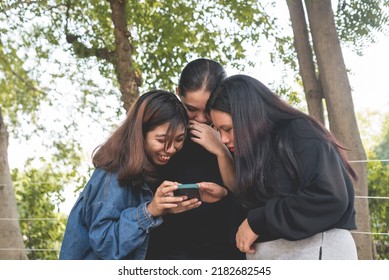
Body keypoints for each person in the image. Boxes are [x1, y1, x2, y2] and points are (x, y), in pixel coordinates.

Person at [207, 74, 358, 260]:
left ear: (249, 116)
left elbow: (328, 197)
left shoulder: (299, 132)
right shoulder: (251, 150)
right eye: (218, 130)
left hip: (315, 254)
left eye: (228, 129)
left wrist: (259, 221)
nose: (223, 139)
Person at [59, 90, 191, 260]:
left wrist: (164, 209)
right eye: (161, 140)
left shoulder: (156, 168)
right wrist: (150, 211)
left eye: (179, 140)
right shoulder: (111, 176)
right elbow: (105, 244)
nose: (171, 149)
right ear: (140, 134)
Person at [146, 59, 245, 259]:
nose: (201, 119)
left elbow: (243, 193)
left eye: (208, 110)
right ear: (178, 93)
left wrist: (221, 149)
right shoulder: (164, 133)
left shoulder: (235, 133)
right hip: (170, 250)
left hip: (225, 249)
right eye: (191, 109)